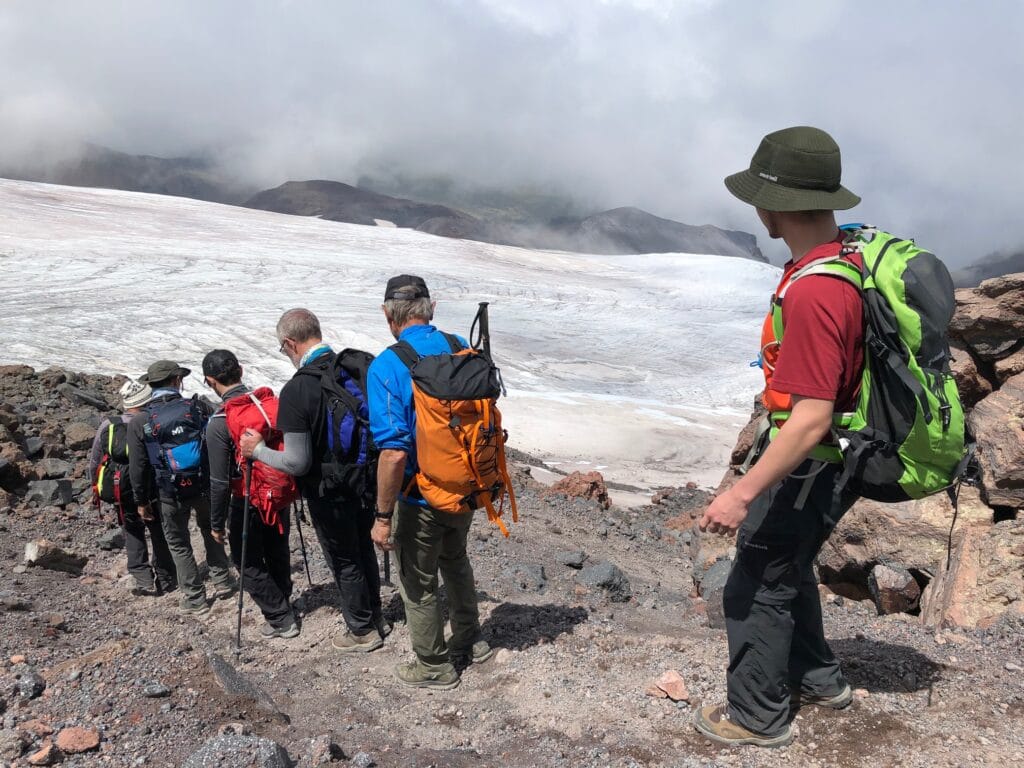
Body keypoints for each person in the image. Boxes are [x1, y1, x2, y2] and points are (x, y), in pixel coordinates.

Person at [694, 126, 864, 747]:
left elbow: (812, 416)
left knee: (756, 581)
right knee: (786, 567)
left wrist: (741, 494)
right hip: (826, 462)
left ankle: (756, 717)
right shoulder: (837, 262)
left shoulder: (817, 290)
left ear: (779, 201)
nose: (755, 206)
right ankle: (819, 680)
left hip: (807, 461)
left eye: (759, 193)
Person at [367, 275, 493, 690]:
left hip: (420, 496)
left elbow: (394, 451)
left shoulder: (387, 365)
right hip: (468, 485)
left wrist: (382, 517)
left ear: (388, 315)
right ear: (431, 308)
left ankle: (433, 666)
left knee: (417, 581)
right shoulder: (460, 345)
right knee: (455, 560)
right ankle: (471, 639)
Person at [238, 309, 385, 652]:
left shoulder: (297, 389)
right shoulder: (352, 369)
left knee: (344, 558)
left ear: (289, 343)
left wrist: (257, 450)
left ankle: (361, 631)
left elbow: (296, 461)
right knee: (363, 549)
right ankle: (376, 616)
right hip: (365, 479)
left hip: (328, 491)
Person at [127, 359, 237, 616]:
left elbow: (138, 467)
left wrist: (141, 501)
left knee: (178, 543)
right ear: (177, 381)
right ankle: (222, 581)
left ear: (151, 385)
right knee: (211, 529)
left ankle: (194, 597)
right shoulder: (198, 407)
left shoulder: (140, 420)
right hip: (204, 485)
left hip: (168, 491)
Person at [204, 349, 299, 639]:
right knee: (277, 549)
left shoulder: (220, 421)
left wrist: (216, 523)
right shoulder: (268, 404)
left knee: (246, 562)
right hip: (279, 490)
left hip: (248, 498)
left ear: (210, 381)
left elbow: (219, 481)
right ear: (241, 371)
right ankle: (285, 602)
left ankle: (281, 618)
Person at [89, 380, 176, 595]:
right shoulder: (153, 421)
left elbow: (95, 460)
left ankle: (142, 576)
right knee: (158, 530)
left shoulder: (109, 423)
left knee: (132, 529)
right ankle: (166, 577)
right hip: (152, 486)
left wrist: (95, 485)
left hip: (121, 486)